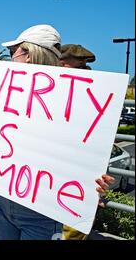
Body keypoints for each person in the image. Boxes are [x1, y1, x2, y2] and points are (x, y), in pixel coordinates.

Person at [0, 24, 114, 240]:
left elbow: (88, 154)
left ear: (29, 55)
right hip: (2, 201)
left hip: (42, 212)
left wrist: (94, 179)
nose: (10, 59)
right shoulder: (3, 94)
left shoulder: (80, 104)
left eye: (13, 53)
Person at [59, 43, 112, 240]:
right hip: (46, 186)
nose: (84, 72)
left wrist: (98, 179)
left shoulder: (92, 95)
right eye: (78, 67)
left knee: (72, 234)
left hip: (74, 188)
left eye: (84, 68)